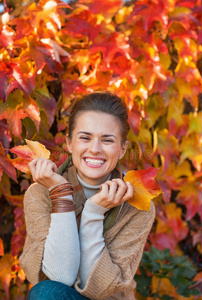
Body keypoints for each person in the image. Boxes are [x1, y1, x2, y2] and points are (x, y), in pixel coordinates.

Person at [19, 91, 155, 300]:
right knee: (46, 292)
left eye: (107, 140)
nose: (95, 149)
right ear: (69, 142)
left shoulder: (136, 205)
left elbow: (100, 290)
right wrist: (61, 194)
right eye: (85, 137)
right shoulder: (40, 192)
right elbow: (59, 276)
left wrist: (93, 212)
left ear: (122, 148)